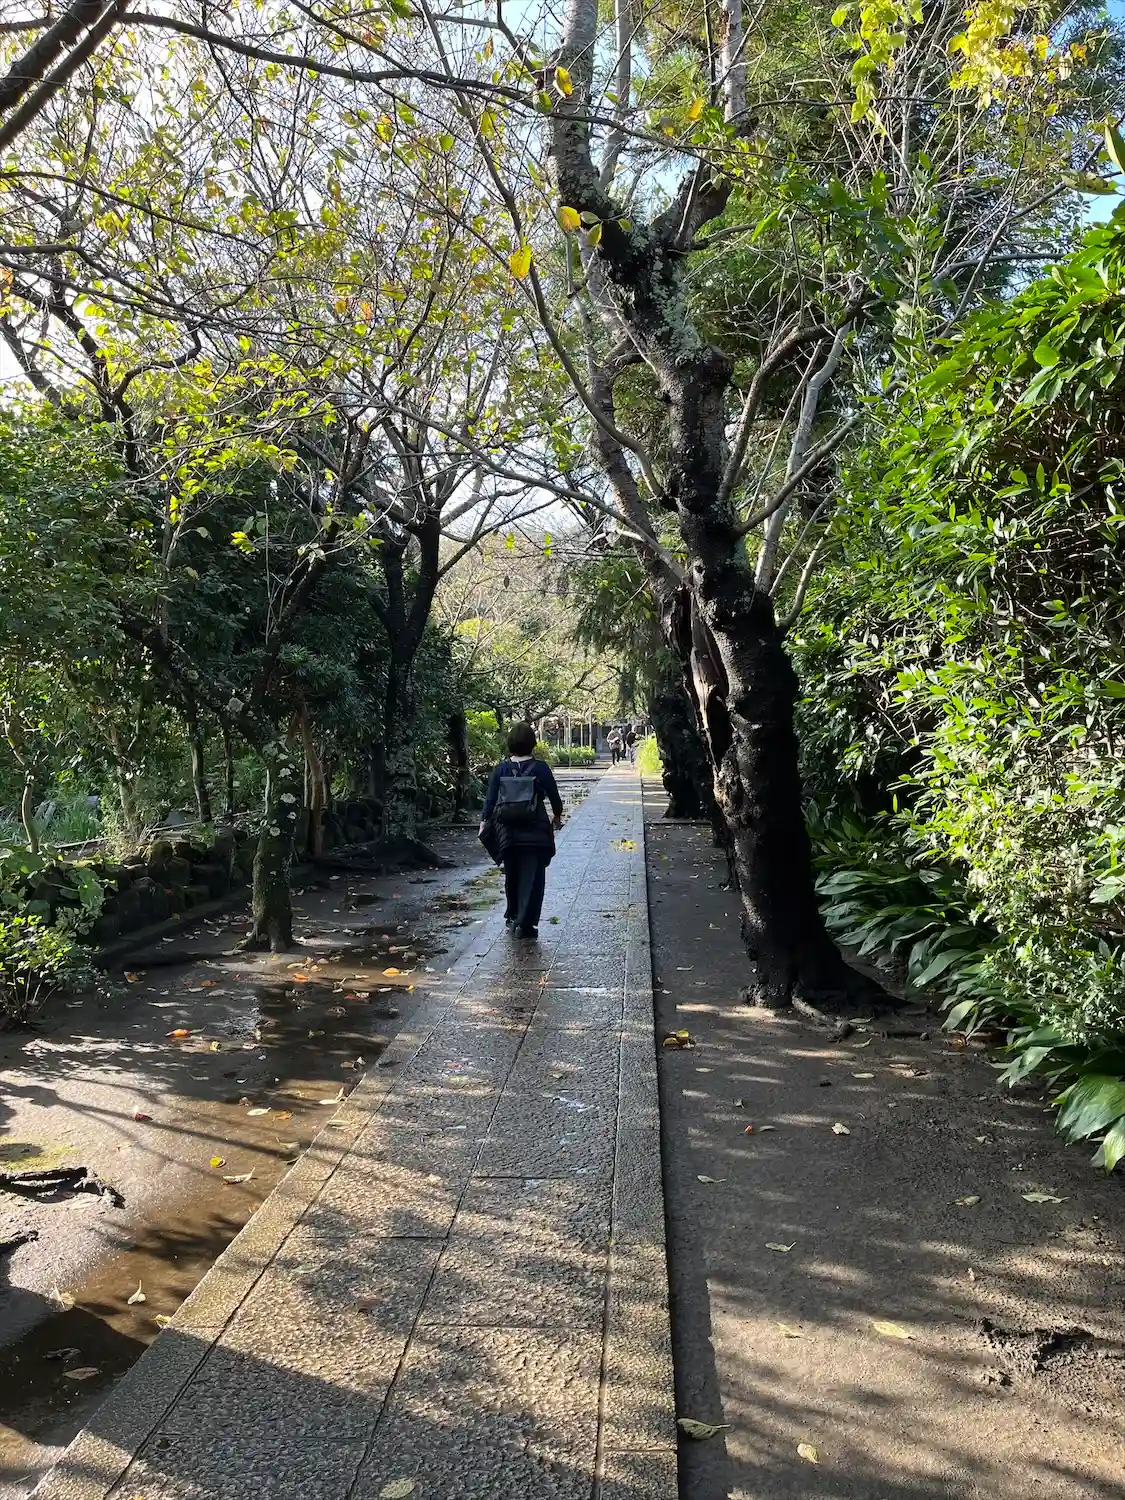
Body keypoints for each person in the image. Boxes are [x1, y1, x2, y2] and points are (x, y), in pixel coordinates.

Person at [479, 722, 564, 940]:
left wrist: (484, 822)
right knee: (534, 878)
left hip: (507, 833)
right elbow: (554, 797)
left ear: (510, 743)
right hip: (535, 832)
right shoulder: (540, 768)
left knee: (512, 876)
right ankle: (526, 923)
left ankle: (513, 916)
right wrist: (557, 815)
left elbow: (490, 800)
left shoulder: (501, 769)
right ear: (532, 743)